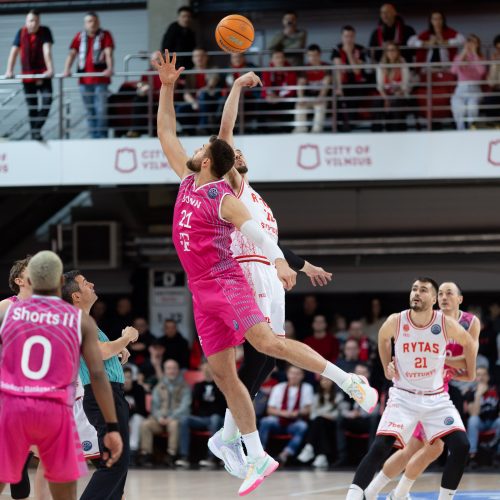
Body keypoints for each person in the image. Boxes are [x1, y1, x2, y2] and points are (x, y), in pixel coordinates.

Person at [153, 50, 378, 496]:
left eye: (204, 149)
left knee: (268, 347)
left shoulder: (227, 193)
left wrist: (280, 260)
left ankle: (346, 379)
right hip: (200, 290)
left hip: (228, 277)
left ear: (214, 163)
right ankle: (253, 453)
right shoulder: (185, 178)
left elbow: (257, 232)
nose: (199, 148)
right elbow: (165, 132)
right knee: (224, 374)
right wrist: (167, 87)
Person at [0, 251, 122, 500]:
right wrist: (111, 425)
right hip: (54, 410)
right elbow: (97, 375)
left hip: (14, 406)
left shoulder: (9, 312)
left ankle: (19, 464)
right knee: (62, 489)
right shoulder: (77, 319)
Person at [346, 277, 477, 500]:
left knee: (461, 445)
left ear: (433, 299)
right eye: (414, 289)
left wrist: (470, 371)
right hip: (404, 397)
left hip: (436, 398)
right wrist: (387, 364)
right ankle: (361, 495)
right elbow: (383, 337)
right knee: (381, 446)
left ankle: (426, 496)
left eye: (423, 290)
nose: (416, 293)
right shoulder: (396, 320)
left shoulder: (447, 323)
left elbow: (470, 343)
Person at [61, 270, 137, 500]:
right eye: (85, 283)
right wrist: (127, 337)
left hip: (109, 394)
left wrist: (117, 349)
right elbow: (102, 352)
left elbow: (100, 351)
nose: (92, 284)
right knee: (114, 464)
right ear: (75, 295)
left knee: (119, 466)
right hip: (103, 396)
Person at [4, 10, 54, 141]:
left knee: (47, 102)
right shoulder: (20, 33)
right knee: (32, 107)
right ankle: (35, 135)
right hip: (27, 76)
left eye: (36, 21)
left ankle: (36, 130)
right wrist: (9, 70)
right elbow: (14, 52)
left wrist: (50, 69)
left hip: (43, 75)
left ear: (39, 22)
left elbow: (47, 50)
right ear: (26, 21)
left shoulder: (45, 31)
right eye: (31, 21)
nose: (33, 24)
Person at [63, 11, 114, 138]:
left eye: (95, 21)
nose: (93, 24)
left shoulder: (105, 35)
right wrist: (66, 69)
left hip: (101, 81)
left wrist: (110, 68)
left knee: (101, 110)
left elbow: (108, 53)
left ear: (99, 22)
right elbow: (72, 54)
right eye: (90, 21)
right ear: (85, 24)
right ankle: (93, 136)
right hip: (84, 82)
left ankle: (101, 136)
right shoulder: (79, 36)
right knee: (89, 111)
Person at [139, 359, 191, 466]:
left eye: (174, 368)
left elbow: (185, 407)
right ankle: (146, 455)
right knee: (145, 425)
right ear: (164, 371)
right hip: (160, 419)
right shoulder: (159, 387)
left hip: (175, 418)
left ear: (178, 370)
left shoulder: (185, 386)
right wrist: (159, 418)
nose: (171, 371)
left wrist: (171, 417)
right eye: (168, 368)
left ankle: (171, 455)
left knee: (174, 425)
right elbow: (154, 406)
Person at [258, 366, 313, 464]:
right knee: (265, 421)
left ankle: (284, 455)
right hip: (278, 420)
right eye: (292, 373)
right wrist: (284, 413)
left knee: (302, 426)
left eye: (297, 373)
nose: (294, 376)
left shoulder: (307, 388)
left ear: (302, 376)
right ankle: (261, 453)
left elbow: (307, 410)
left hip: (294, 421)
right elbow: (270, 410)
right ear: (287, 374)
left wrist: (297, 413)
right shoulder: (278, 387)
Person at [175, 362, 226, 468]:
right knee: (184, 419)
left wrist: (215, 381)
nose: (208, 371)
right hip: (201, 418)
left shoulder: (221, 385)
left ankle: (211, 457)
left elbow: (223, 404)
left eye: (210, 369)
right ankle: (184, 456)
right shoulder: (198, 386)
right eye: (205, 370)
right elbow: (194, 402)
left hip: (217, 418)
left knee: (215, 419)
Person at [334, 364, 380, 467]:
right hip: (353, 419)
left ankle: (371, 458)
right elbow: (342, 407)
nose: (360, 375)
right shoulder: (348, 387)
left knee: (375, 419)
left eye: (363, 373)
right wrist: (351, 414)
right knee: (340, 419)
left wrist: (362, 413)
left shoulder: (374, 388)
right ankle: (342, 457)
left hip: (367, 419)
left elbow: (377, 408)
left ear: (368, 374)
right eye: (357, 373)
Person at [176, 47, 222, 135]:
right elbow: (186, 93)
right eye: (196, 56)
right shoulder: (189, 74)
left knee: (203, 94)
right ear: (193, 59)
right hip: (195, 103)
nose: (199, 58)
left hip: (210, 100)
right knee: (179, 110)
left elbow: (212, 83)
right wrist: (193, 102)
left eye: (201, 56)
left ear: (206, 57)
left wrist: (201, 92)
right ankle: (192, 132)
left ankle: (203, 128)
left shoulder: (213, 69)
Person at [297, 376, 340, 467]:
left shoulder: (338, 396)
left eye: (328, 379)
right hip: (319, 423)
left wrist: (322, 414)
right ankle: (322, 456)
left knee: (319, 421)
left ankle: (309, 447)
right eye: (323, 380)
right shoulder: (316, 396)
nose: (325, 382)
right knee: (319, 422)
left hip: (332, 423)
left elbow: (337, 414)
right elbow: (312, 414)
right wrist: (322, 415)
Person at [331, 25, 368, 132]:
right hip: (343, 83)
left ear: (354, 37)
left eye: (351, 36)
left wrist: (348, 53)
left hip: (358, 84)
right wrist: (339, 87)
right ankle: (339, 130)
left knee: (352, 102)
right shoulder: (336, 49)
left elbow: (357, 70)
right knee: (337, 100)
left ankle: (349, 129)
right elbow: (338, 70)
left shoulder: (360, 49)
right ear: (342, 37)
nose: (348, 39)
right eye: (346, 36)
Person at [450, 34, 487, 130]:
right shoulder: (459, 57)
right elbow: (453, 70)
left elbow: (482, 71)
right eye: (469, 41)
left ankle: (472, 129)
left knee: (472, 107)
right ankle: (460, 130)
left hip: (475, 89)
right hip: (461, 88)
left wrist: (474, 54)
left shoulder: (480, 57)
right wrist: (464, 52)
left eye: (474, 42)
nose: (471, 44)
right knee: (458, 107)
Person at [465, 366, 500, 466]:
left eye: (484, 374)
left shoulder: (496, 390)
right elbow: (474, 413)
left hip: (494, 422)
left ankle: (498, 454)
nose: (482, 377)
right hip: (480, 423)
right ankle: (472, 454)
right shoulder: (471, 392)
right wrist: (478, 395)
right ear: (475, 378)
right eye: (478, 375)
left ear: (488, 377)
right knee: (473, 420)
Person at [293, 44, 331, 133]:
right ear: (307, 56)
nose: (313, 58)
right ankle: (300, 130)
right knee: (299, 105)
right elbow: (300, 84)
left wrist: (321, 96)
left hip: (321, 97)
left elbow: (326, 83)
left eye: (315, 55)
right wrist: (301, 97)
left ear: (319, 55)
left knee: (320, 106)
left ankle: (316, 132)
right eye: (310, 55)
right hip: (308, 97)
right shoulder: (304, 68)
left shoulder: (326, 67)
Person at [374, 42, 411, 131]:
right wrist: (386, 98)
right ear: (385, 52)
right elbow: (380, 86)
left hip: (400, 94)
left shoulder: (403, 64)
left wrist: (397, 93)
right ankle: (376, 132)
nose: (391, 53)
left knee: (396, 101)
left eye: (393, 50)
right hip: (385, 94)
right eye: (388, 50)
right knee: (377, 102)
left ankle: (396, 131)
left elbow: (405, 85)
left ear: (397, 52)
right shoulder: (381, 65)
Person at [261, 49, 297, 132]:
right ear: (272, 60)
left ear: (284, 59)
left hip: (284, 98)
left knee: (289, 104)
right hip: (272, 99)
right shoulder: (267, 71)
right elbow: (265, 87)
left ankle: (286, 131)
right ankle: (262, 131)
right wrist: (268, 96)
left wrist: (280, 97)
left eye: (281, 57)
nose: (280, 60)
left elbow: (291, 90)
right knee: (260, 104)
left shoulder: (290, 70)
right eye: (277, 57)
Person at [123, 367, 148, 465]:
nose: (126, 380)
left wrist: (128, 415)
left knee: (136, 419)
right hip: (124, 417)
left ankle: (132, 450)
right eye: (124, 377)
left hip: (138, 417)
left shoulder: (139, 388)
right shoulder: (116, 389)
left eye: (129, 377)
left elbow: (141, 409)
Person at [161, 6, 196, 70]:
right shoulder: (172, 28)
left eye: (188, 17)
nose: (186, 19)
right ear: (178, 18)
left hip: (187, 64)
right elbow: (166, 47)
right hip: (174, 64)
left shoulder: (190, 32)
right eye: (183, 16)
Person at [483, 35, 500, 123]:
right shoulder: (495, 61)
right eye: (498, 49)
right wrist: (494, 64)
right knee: (489, 99)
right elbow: (491, 83)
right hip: (496, 90)